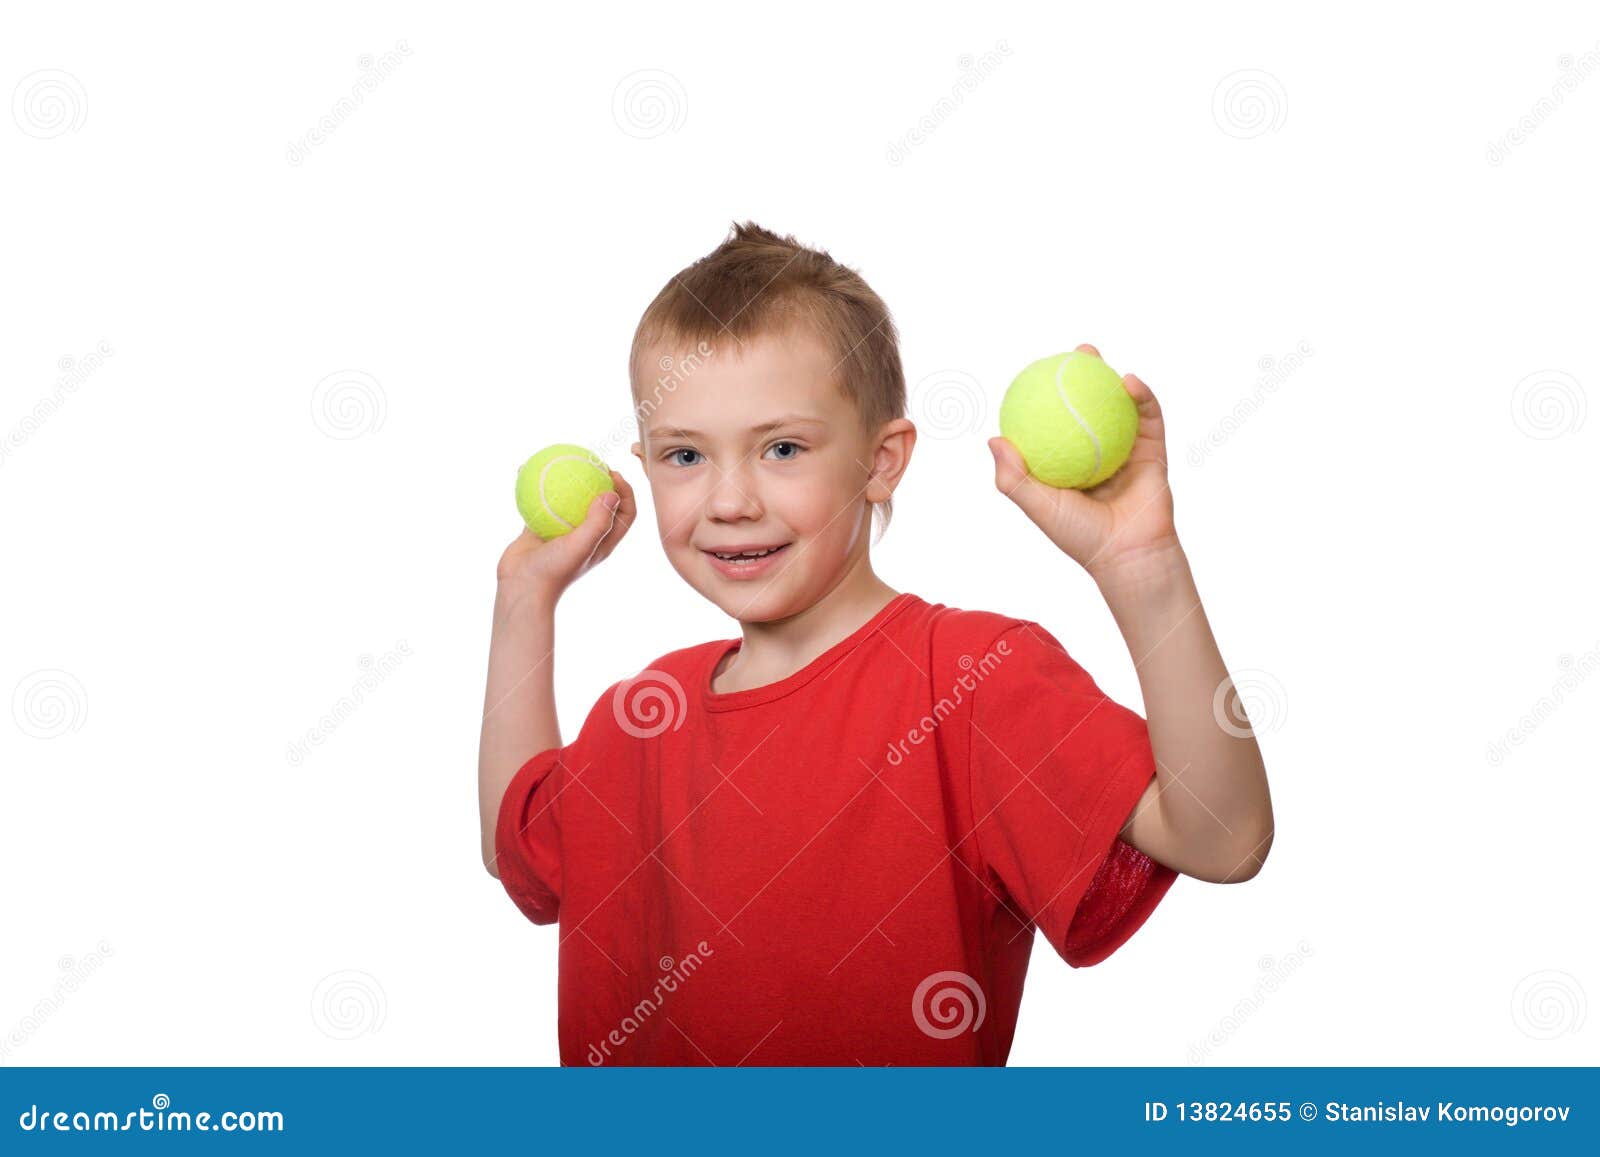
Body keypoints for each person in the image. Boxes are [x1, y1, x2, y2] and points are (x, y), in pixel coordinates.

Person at [477, 221, 1274, 1065]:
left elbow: (1224, 837)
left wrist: (1143, 570)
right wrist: (523, 595)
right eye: (684, 455)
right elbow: (517, 845)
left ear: (882, 460)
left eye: (782, 447)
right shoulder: (642, 713)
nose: (730, 500)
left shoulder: (970, 680)